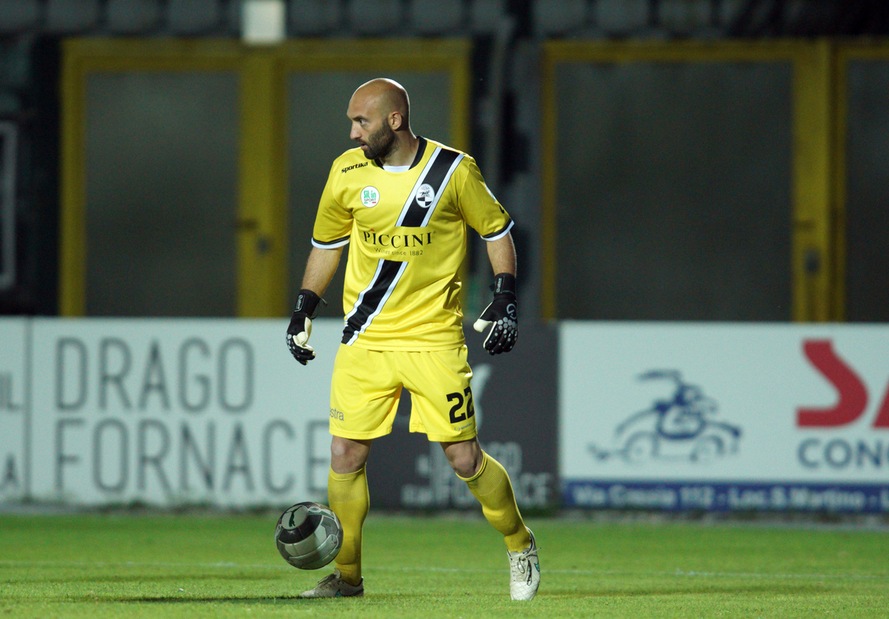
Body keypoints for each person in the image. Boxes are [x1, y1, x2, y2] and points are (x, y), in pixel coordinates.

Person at [286, 77, 539, 601]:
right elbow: (326, 244)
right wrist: (304, 307)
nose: (353, 132)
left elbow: (496, 232)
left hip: (433, 340)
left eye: (362, 121)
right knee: (345, 454)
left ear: (393, 121)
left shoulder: (453, 170)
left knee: (464, 459)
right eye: (352, 122)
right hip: (365, 338)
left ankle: (520, 543)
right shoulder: (346, 172)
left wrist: (505, 296)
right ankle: (348, 578)